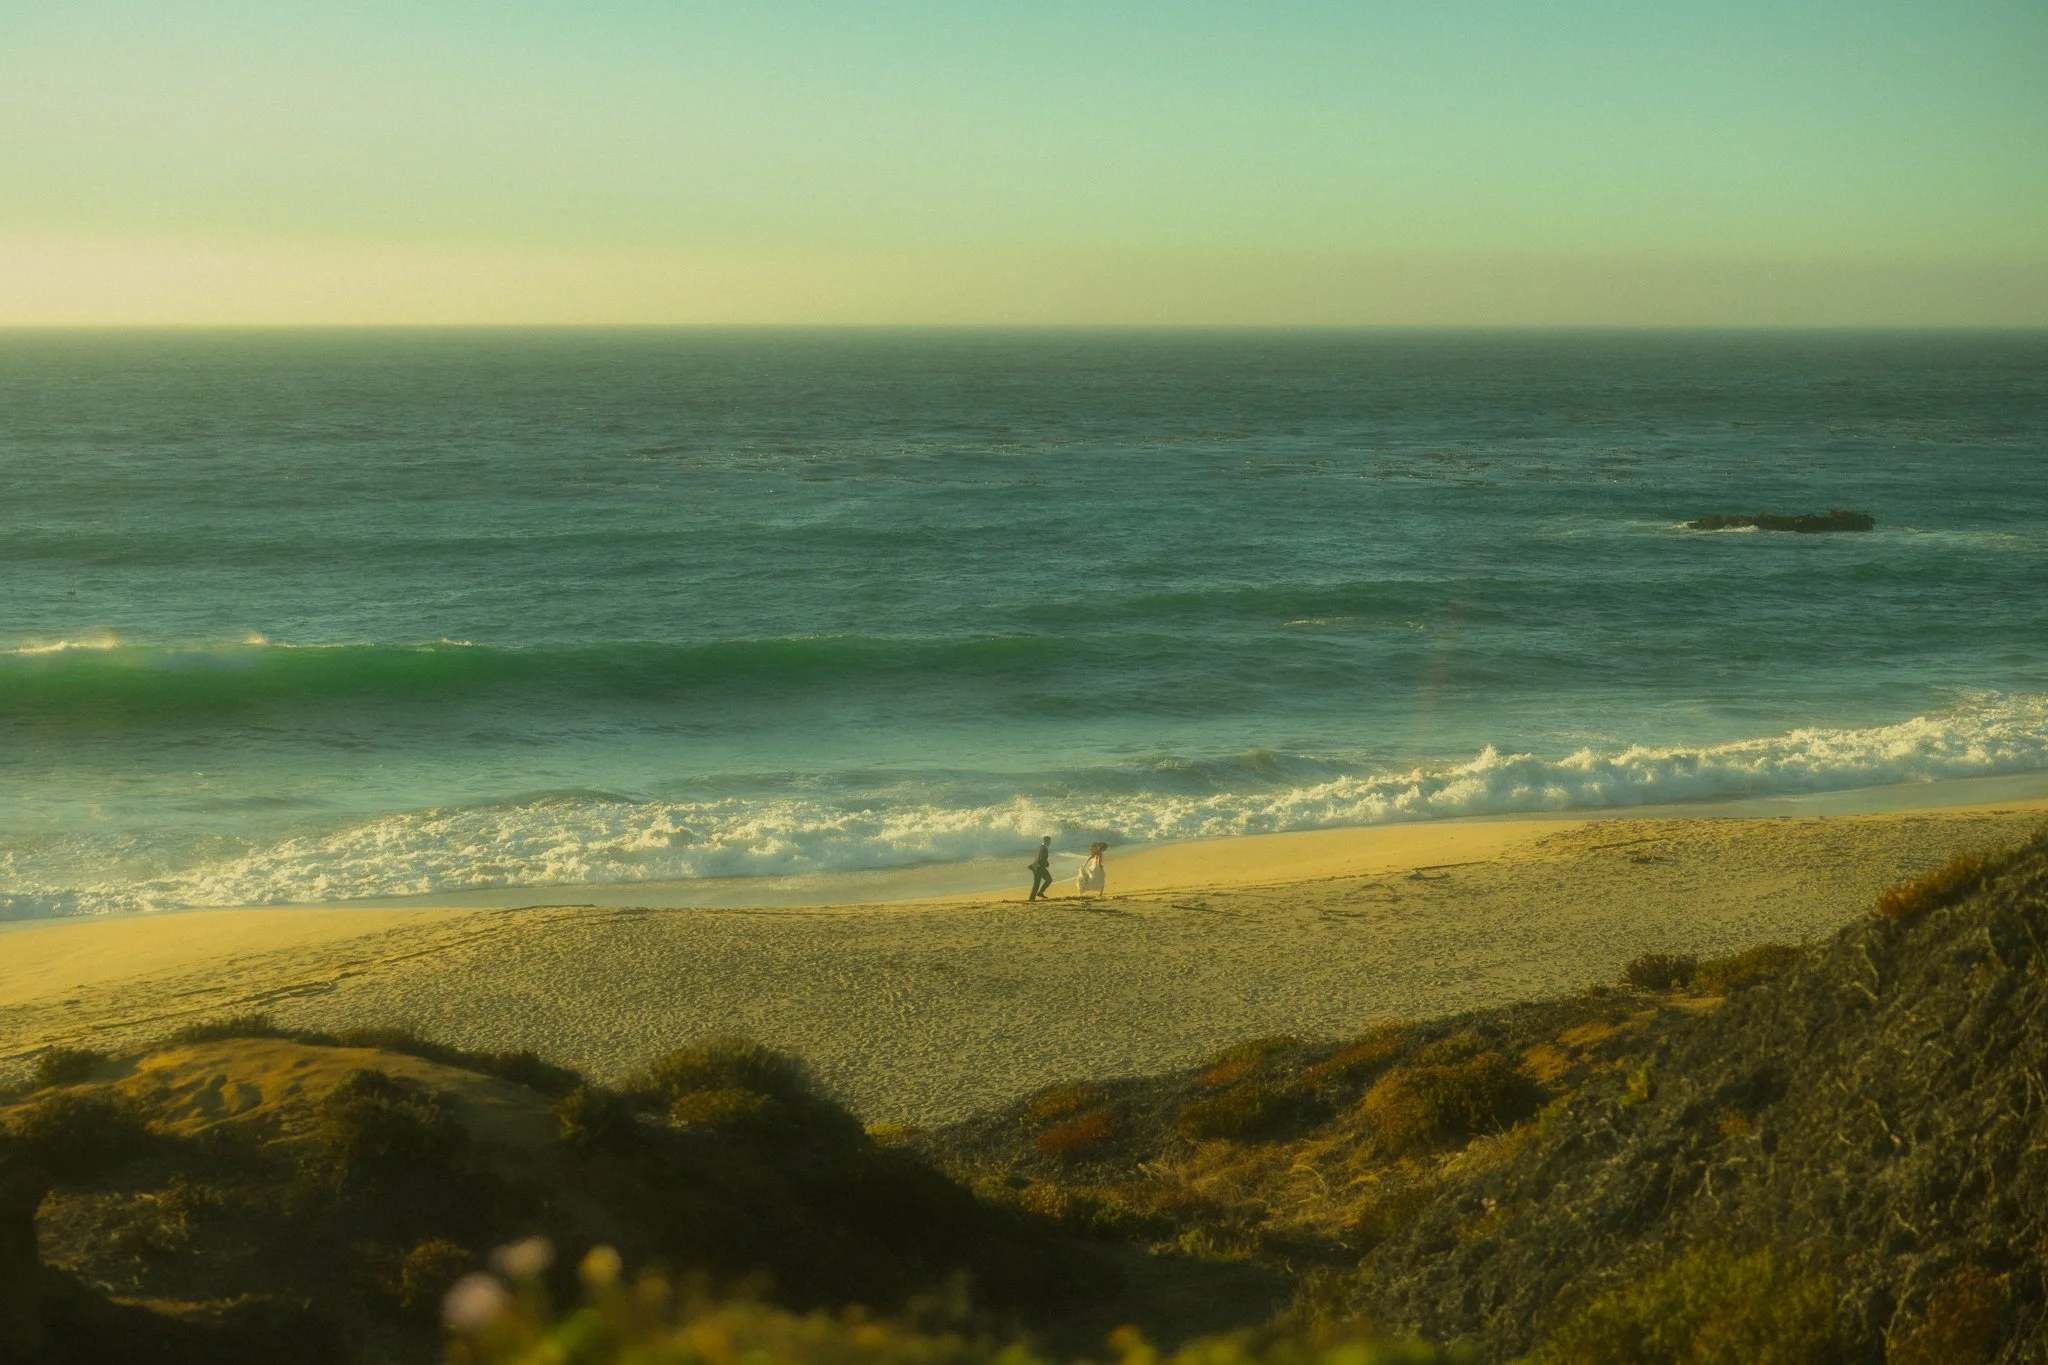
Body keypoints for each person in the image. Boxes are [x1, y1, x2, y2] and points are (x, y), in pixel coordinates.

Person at [1026, 836, 1053, 901]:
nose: (1049, 843)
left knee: (1036, 884)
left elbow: (1037, 857)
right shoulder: (1044, 848)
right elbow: (1042, 858)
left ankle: (1031, 899)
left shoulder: (1040, 847)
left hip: (1035, 867)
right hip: (1039, 867)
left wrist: (1033, 865)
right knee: (1049, 879)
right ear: (1045, 841)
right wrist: (1046, 864)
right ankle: (1040, 892)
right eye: (1048, 841)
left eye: (1049, 841)